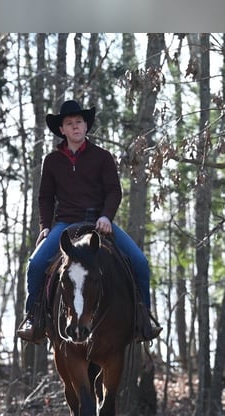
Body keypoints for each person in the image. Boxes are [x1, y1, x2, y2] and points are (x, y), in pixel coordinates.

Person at [16, 99, 162, 344]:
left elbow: (114, 191)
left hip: (98, 222)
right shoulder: (51, 161)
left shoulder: (102, 157)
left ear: (86, 126)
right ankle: (34, 318)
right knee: (35, 264)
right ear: (61, 130)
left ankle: (142, 319)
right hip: (65, 223)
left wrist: (106, 216)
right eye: (69, 123)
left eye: (79, 122)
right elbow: (45, 197)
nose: (75, 127)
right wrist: (45, 226)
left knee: (140, 263)